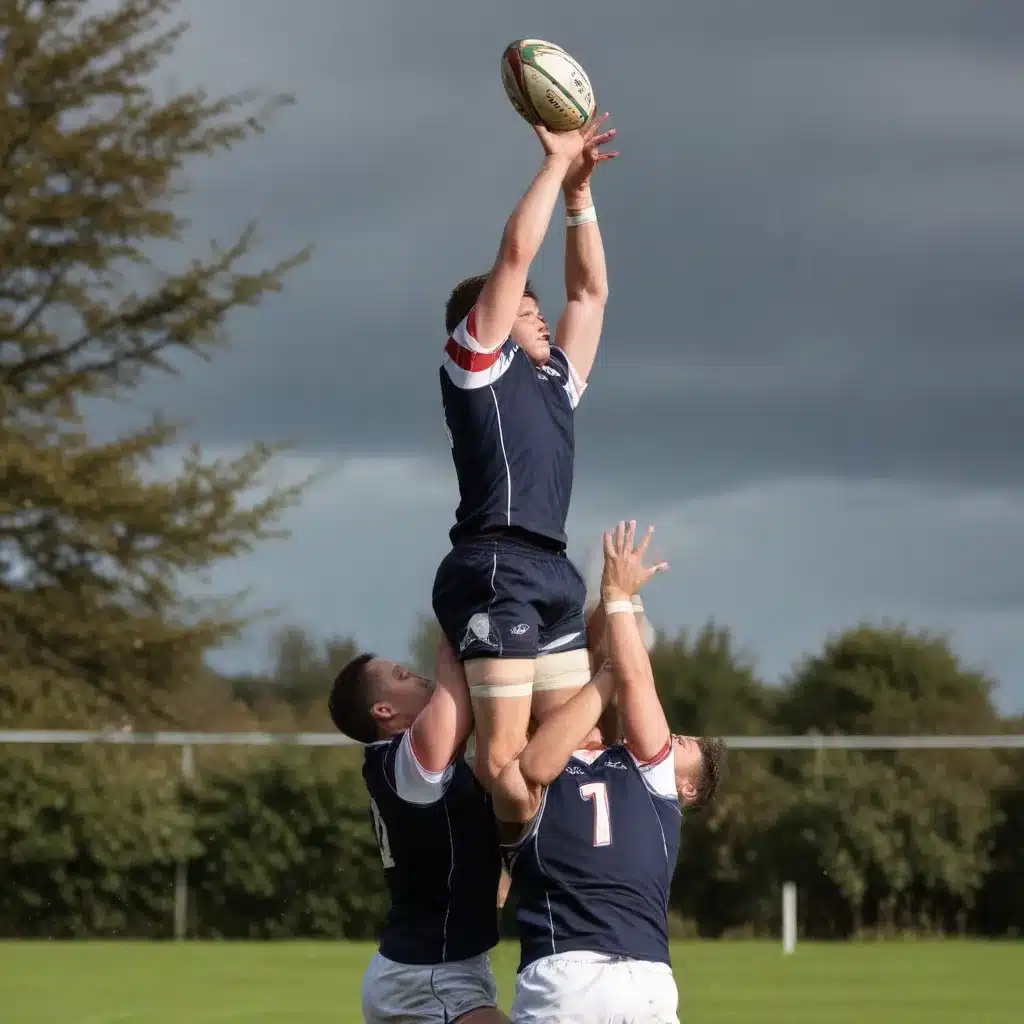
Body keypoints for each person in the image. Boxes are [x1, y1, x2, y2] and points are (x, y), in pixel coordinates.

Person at [433, 112, 619, 792]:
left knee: (579, 749)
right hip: (495, 567)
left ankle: (556, 885)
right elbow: (515, 258)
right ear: (484, 318)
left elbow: (590, 294)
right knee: (507, 760)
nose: (538, 312)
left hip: (552, 571)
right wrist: (553, 162)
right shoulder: (474, 364)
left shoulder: (553, 384)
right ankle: (491, 889)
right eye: (523, 308)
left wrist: (579, 196)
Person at [492, 521, 726, 1024]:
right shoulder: (616, 764)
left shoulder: (654, 777)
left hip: (570, 979)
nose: (676, 737)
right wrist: (621, 610)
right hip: (637, 983)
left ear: (687, 788)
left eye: (687, 746)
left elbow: (633, 678)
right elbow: (623, 677)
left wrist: (619, 598)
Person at [328, 641, 507, 1024]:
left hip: (429, 968)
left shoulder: (404, 766)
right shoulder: (406, 762)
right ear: (383, 710)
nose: (418, 675)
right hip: (429, 975)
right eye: (402, 675)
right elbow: (456, 696)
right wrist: (454, 619)